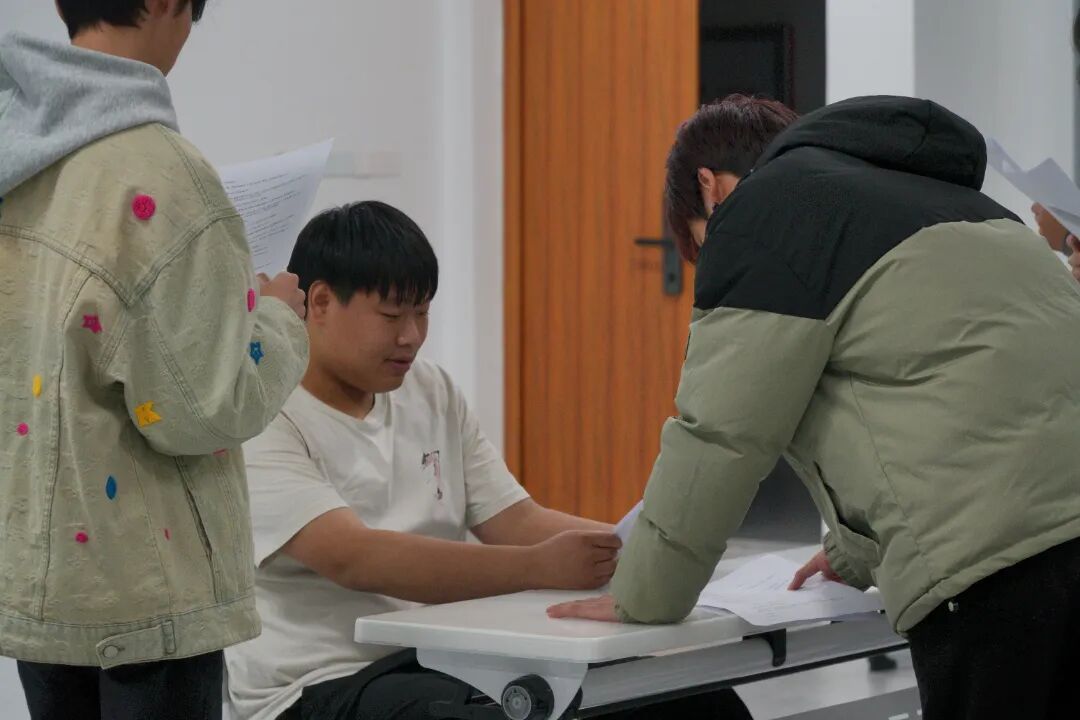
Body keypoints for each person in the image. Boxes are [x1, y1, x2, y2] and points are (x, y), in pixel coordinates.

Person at [548, 94, 1080, 720]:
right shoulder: (964, 205)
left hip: (994, 568)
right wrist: (854, 554)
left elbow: (720, 435)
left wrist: (643, 598)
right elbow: (924, 395)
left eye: (699, 243)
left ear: (709, 187)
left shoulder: (764, 216)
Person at [225, 201, 754, 720]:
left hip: (444, 655)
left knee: (691, 701)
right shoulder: (263, 412)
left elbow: (515, 520)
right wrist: (538, 566)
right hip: (322, 683)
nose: (411, 336)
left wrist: (658, 547)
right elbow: (354, 557)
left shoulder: (430, 389)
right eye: (391, 315)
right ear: (320, 303)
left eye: (422, 312)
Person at [0, 3, 309, 719]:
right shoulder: (162, 174)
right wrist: (279, 321)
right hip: (145, 584)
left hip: (39, 572)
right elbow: (207, 407)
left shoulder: (16, 157)